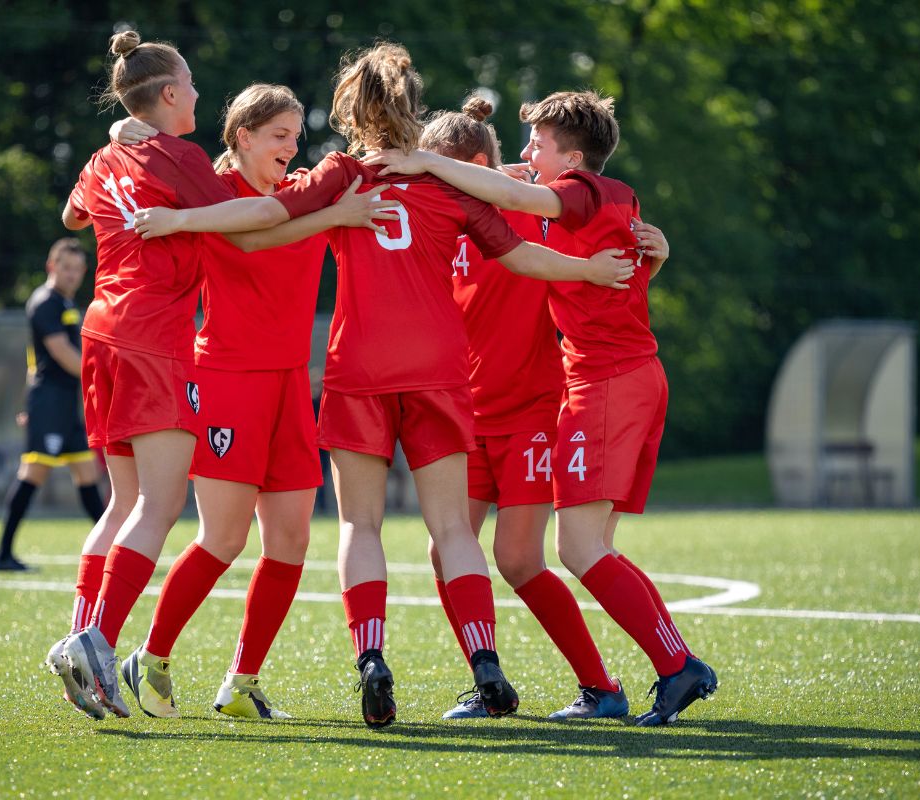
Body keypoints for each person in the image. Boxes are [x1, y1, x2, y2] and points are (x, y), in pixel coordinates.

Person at [130, 43, 636, 728]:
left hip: (359, 369)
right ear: (413, 107)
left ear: (350, 109)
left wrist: (178, 215)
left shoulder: (342, 174)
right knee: (452, 527)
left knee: (358, 524)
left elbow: (266, 216)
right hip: (438, 370)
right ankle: (485, 659)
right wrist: (591, 270)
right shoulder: (446, 180)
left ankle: (371, 657)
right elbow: (521, 255)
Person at [47, 31, 393, 721]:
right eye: (278, 134)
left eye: (296, 135)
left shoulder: (290, 188)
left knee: (290, 538)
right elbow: (255, 231)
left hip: (281, 381)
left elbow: (81, 207)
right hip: (217, 373)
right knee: (214, 534)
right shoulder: (210, 185)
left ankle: (238, 680)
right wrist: (330, 212)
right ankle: (135, 652)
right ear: (241, 136)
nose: (291, 145)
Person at [366, 89, 718, 726]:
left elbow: (598, 259)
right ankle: (490, 678)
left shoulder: (534, 210)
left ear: (470, 167)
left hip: (533, 409)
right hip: (463, 411)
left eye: (437, 169)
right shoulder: (436, 214)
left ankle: (607, 685)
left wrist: (650, 257)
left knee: (526, 557)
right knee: (448, 550)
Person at [0, 238, 105, 572]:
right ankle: (3, 554)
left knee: (87, 475)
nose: (72, 274)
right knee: (33, 474)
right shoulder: (45, 302)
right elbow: (62, 354)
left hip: (65, 405)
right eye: (65, 267)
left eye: (78, 269)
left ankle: (113, 551)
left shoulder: (65, 303)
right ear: (50, 266)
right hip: (49, 404)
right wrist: (102, 378)